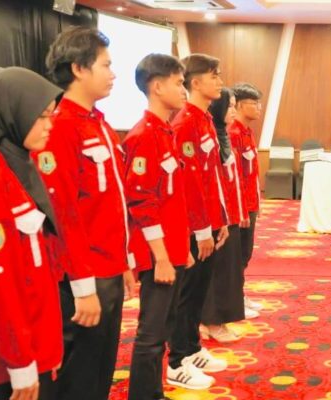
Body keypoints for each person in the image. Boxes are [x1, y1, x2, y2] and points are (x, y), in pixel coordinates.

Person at [38, 26, 135, 400]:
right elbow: (62, 215)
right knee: (79, 376)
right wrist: (82, 287)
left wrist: (123, 261)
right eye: (105, 65)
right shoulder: (61, 127)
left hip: (108, 267)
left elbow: (110, 203)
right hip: (83, 274)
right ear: (79, 68)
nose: (113, 74)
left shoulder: (99, 123)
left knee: (101, 368)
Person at [0, 67, 63, 400]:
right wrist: (20, 363)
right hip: (5, 365)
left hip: (34, 347)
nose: (49, 125)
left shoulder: (18, 167)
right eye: (41, 116)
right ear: (12, 114)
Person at [124, 53, 201, 398]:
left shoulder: (165, 131)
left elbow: (171, 200)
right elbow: (142, 203)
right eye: (179, 83)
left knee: (165, 327)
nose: (184, 90)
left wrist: (181, 247)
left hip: (172, 248)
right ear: (157, 87)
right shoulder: (144, 135)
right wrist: (162, 257)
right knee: (152, 334)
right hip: (158, 255)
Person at [168, 53, 231, 383]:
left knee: (198, 292)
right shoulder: (185, 123)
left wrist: (221, 220)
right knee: (187, 293)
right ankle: (178, 359)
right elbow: (189, 184)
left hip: (209, 221)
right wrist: (203, 229)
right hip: (194, 226)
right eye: (213, 75)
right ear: (195, 82)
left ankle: (192, 348)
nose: (219, 82)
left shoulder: (204, 119)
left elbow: (212, 178)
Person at [200, 89, 254, 342]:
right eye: (229, 106)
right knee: (219, 272)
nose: (233, 111)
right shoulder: (212, 135)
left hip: (230, 213)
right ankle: (211, 321)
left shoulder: (222, 135)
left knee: (229, 269)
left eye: (234, 105)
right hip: (217, 216)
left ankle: (218, 320)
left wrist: (240, 210)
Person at [228, 82, 264, 312]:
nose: (259, 108)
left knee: (245, 253)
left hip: (250, 203)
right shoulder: (233, 134)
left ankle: (239, 295)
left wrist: (256, 203)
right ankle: (234, 299)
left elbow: (250, 173)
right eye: (254, 103)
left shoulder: (247, 132)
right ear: (240, 105)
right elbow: (236, 176)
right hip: (240, 207)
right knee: (238, 256)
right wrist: (241, 208)